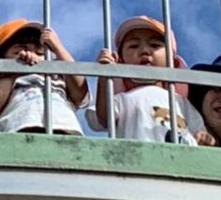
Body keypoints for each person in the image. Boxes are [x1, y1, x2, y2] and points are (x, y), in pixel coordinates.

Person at [88, 16, 205, 144]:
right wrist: (104, 76)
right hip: (136, 156)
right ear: (121, 61)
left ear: (172, 60)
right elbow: (104, 118)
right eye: (133, 46)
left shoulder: (180, 102)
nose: (144, 51)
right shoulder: (123, 99)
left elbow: (200, 134)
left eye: (155, 45)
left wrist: (204, 138)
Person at [0, 20, 87, 134]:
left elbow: (80, 93)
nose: (31, 55)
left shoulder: (59, 74)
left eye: (40, 53)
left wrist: (58, 48)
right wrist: (16, 70)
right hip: (21, 130)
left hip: (65, 129)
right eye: (18, 51)